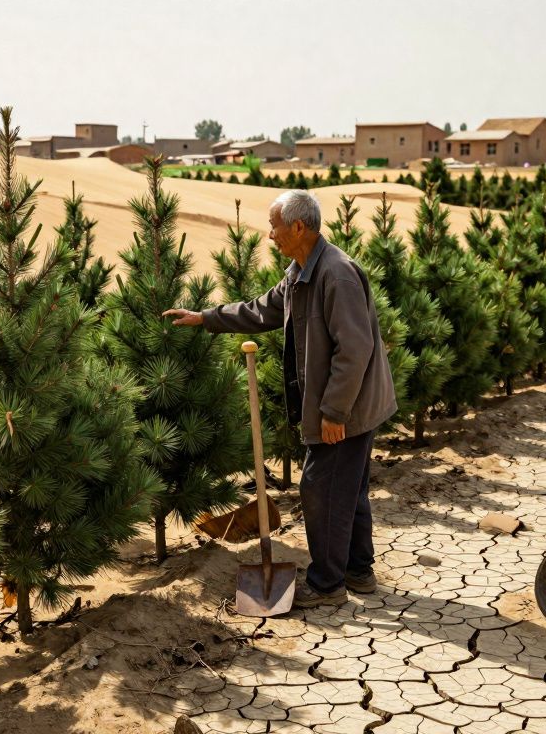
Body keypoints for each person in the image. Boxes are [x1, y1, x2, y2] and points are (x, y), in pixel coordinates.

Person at [163, 189, 396, 608]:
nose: (270, 235)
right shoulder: (301, 271)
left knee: (321, 489)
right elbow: (262, 310)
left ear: (298, 226)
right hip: (349, 405)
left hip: (348, 408)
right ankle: (359, 571)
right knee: (349, 489)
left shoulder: (335, 275)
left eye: (274, 226)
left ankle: (327, 586)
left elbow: (354, 350)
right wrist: (206, 318)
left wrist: (333, 411)